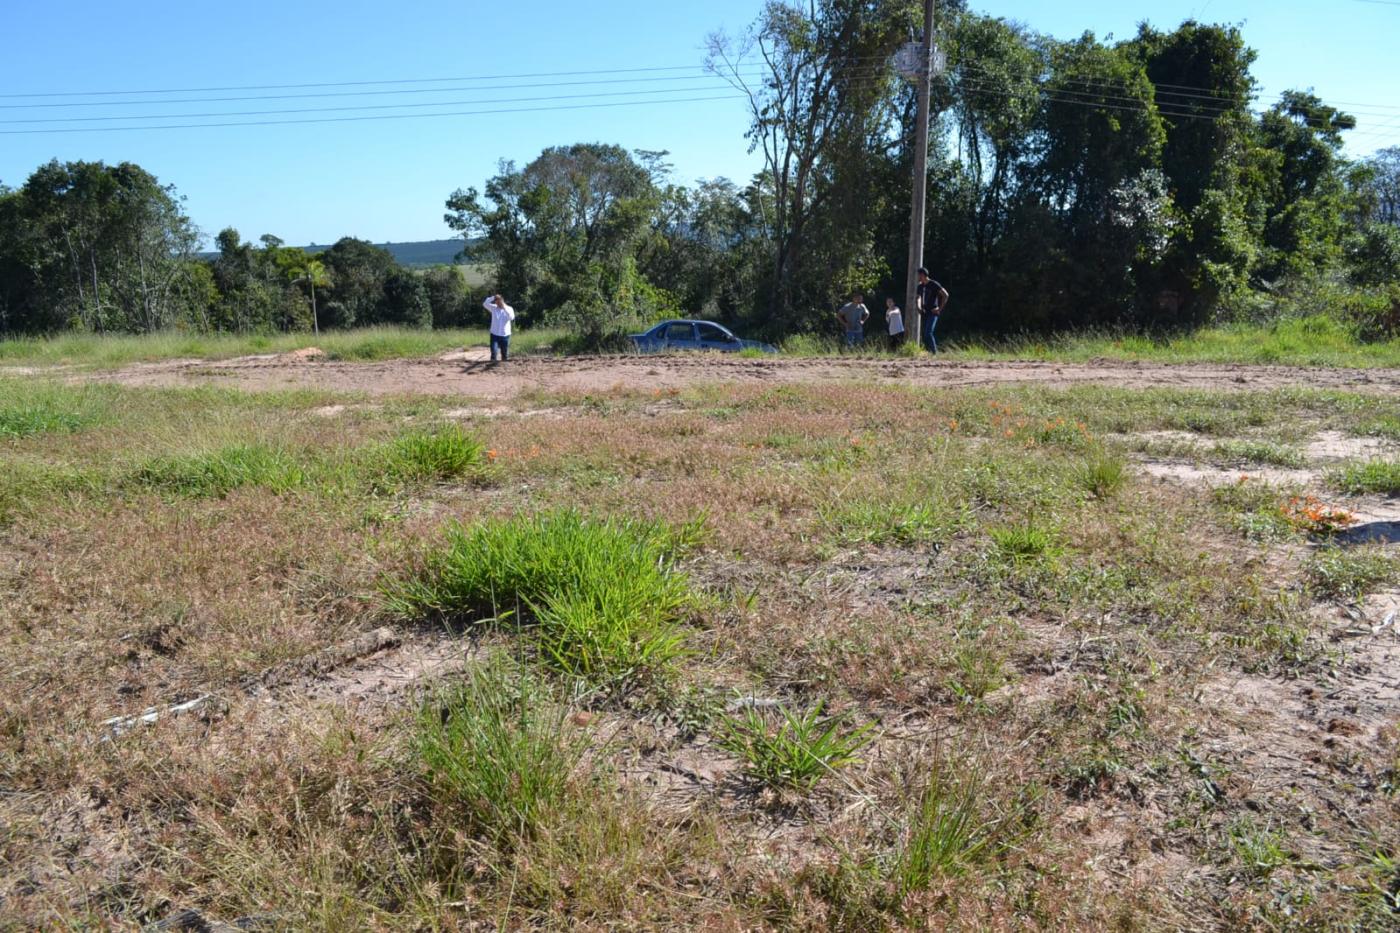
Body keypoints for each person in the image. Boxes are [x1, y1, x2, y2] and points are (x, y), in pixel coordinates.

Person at [915, 267, 949, 353]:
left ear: (923, 275)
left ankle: (935, 353)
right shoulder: (920, 286)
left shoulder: (934, 284)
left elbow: (945, 295)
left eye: (919, 275)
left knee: (928, 333)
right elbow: (918, 297)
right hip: (925, 312)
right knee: (925, 334)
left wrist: (939, 309)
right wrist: (918, 307)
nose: (918, 277)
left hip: (933, 312)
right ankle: (930, 352)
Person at [483, 294, 515, 362]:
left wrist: (504, 308)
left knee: (504, 354)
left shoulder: (509, 308)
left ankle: (503, 367)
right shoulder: (494, 308)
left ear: (502, 301)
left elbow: (511, 318)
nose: (497, 303)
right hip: (494, 334)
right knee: (494, 352)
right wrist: (493, 297)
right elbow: (485, 304)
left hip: (505, 335)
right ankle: (491, 366)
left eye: (498, 302)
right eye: (496, 302)